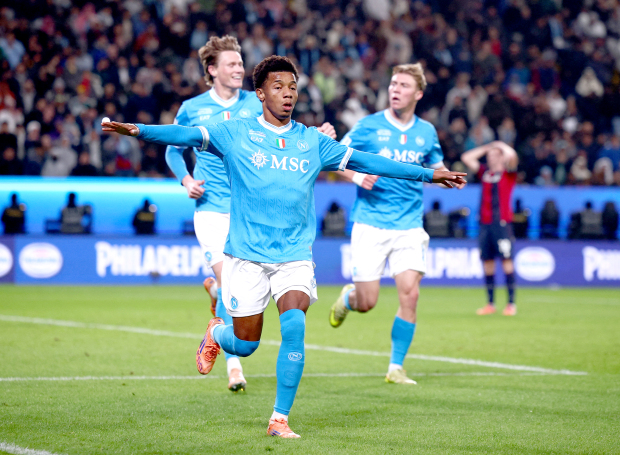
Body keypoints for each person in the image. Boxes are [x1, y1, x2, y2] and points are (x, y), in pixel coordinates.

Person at [102, 55, 466, 439]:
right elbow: (186, 136)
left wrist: (429, 175)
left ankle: (279, 418)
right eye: (278, 87)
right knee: (245, 344)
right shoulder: (236, 133)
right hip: (247, 255)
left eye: (292, 87)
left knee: (295, 326)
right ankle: (217, 333)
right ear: (260, 94)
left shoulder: (312, 141)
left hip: (294, 256)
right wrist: (139, 131)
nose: (288, 94)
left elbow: (369, 161)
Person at [164, 36, 337, 393]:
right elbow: (173, 149)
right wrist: (186, 179)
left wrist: (317, 137)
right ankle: (234, 367)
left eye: (241, 63)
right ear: (212, 70)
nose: (239, 69)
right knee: (228, 282)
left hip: (251, 211)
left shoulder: (257, 101)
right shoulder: (193, 107)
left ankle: (220, 317)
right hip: (213, 209)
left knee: (230, 290)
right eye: (231, 63)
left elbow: (287, 139)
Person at [329, 63, 465, 386]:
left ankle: (395, 367)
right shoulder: (368, 126)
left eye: (403, 85)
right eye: (393, 84)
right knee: (368, 302)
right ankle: (349, 299)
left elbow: (436, 168)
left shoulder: (426, 132)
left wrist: (449, 178)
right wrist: (357, 176)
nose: (395, 90)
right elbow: (333, 157)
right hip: (371, 223)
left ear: (418, 94)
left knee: (410, 295)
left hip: (409, 225)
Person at [461, 141, 518, 316]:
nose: (490, 158)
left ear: (502, 157)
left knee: (506, 261)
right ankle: (490, 304)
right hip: (485, 225)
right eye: (489, 156)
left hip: (502, 224)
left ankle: (511, 304)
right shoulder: (485, 173)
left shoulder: (508, 173)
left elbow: (513, 157)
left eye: (494, 155)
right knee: (488, 263)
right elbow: (466, 157)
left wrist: (500, 145)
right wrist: (486, 147)